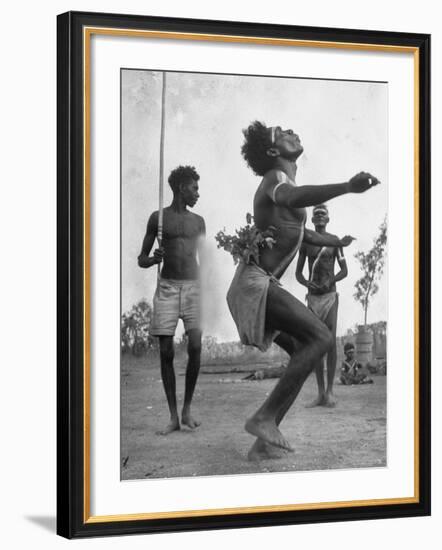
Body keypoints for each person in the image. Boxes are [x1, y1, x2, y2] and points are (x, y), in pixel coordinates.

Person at [226, 121, 379, 460]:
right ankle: (264, 417)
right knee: (322, 337)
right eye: (280, 132)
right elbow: (293, 197)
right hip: (254, 283)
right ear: (273, 151)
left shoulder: (284, 189)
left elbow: (303, 234)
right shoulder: (275, 181)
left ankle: (263, 441)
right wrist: (347, 187)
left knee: (305, 351)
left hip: (257, 285)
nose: (290, 130)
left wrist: (337, 241)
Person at [138, 165, 206, 435]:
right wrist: (153, 258)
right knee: (166, 352)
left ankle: (187, 410)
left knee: (197, 347)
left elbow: (204, 259)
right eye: (194, 188)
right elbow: (142, 259)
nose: (198, 193)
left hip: (193, 287)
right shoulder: (158, 218)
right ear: (181, 188)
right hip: (167, 288)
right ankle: (172, 416)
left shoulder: (198, 221)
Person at [296, 204, 348, 407]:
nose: (319, 217)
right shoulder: (306, 242)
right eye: (316, 214)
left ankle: (330, 392)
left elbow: (344, 270)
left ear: (327, 219)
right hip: (314, 298)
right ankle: (319, 393)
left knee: (330, 341)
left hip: (330, 296)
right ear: (312, 219)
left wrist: (331, 280)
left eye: (322, 215)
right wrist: (305, 283)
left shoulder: (335, 242)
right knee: (317, 343)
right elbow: (299, 273)